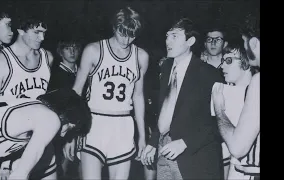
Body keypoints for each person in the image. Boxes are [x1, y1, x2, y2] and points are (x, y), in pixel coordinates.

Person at [70, 6, 149, 180]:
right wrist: (71, 131)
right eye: (123, 33)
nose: (126, 40)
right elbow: (76, 91)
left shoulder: (141, 56)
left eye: (132, 35)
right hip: (94, 123)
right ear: (114, 27)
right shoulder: (94, 50)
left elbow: (138, 96)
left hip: (123, 126)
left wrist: (142, 136)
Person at [141, 18, 225, 179]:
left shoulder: (208, 74)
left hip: (195, 159)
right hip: (164, 152)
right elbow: (166, 110)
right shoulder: (165, 69)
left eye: (174, 36)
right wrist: (153, 142)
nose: (167, 41)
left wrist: (185, 142)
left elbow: (219, 122)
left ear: (190, 41)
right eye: (167, 36)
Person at [212, 14, 260, 180]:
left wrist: (219, 107)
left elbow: (237, 148)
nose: (222, 66)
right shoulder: (227, 89)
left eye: (229, 60)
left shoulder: (256, 83)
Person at [0, 13, 53, 99]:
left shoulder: (48, 57)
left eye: (44, 33)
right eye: (36, 32)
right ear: (20, 31)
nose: (42, 38)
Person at [47, 39, 82, 179]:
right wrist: (69, 135)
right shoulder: (55, 76)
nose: (72, 51)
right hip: (64, 130)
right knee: (63, 168)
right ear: (60, 52)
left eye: (75, 47)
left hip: (84, 127)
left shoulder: (84, 73)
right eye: (68, 48)